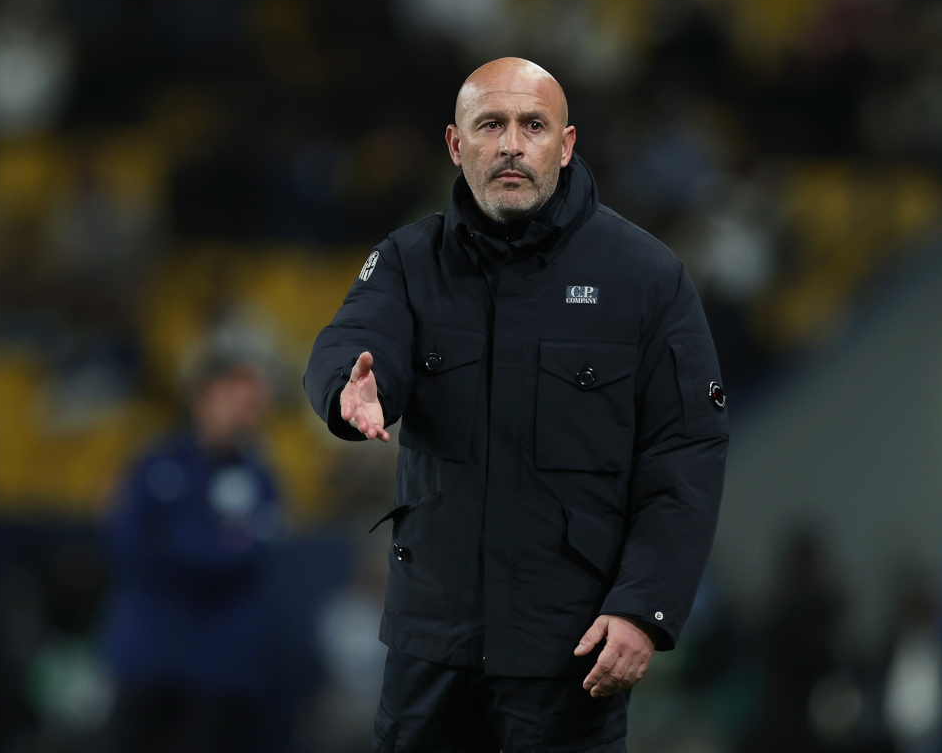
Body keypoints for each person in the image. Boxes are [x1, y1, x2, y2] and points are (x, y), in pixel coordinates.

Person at [305, 57, 730, 752]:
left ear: (565, 145)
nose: (510, 144)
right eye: (490, 125)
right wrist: (348, 386)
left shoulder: (646, 277)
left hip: (570, 652)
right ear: (455, 144)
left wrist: (643, 609)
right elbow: (354, 337)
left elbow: (686, 453)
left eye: (533, 125)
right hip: (431, 648)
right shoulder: (409, 261)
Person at [102, 356, 282, 753]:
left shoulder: (259, 477)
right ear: (202, 399)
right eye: (233, 400)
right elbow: (129, 543)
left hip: (221, 662)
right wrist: (215, 542)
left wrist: (174, 540)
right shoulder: (154, 464)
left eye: (251, 405)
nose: (243, 414)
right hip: (150, 648)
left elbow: (250, 553)